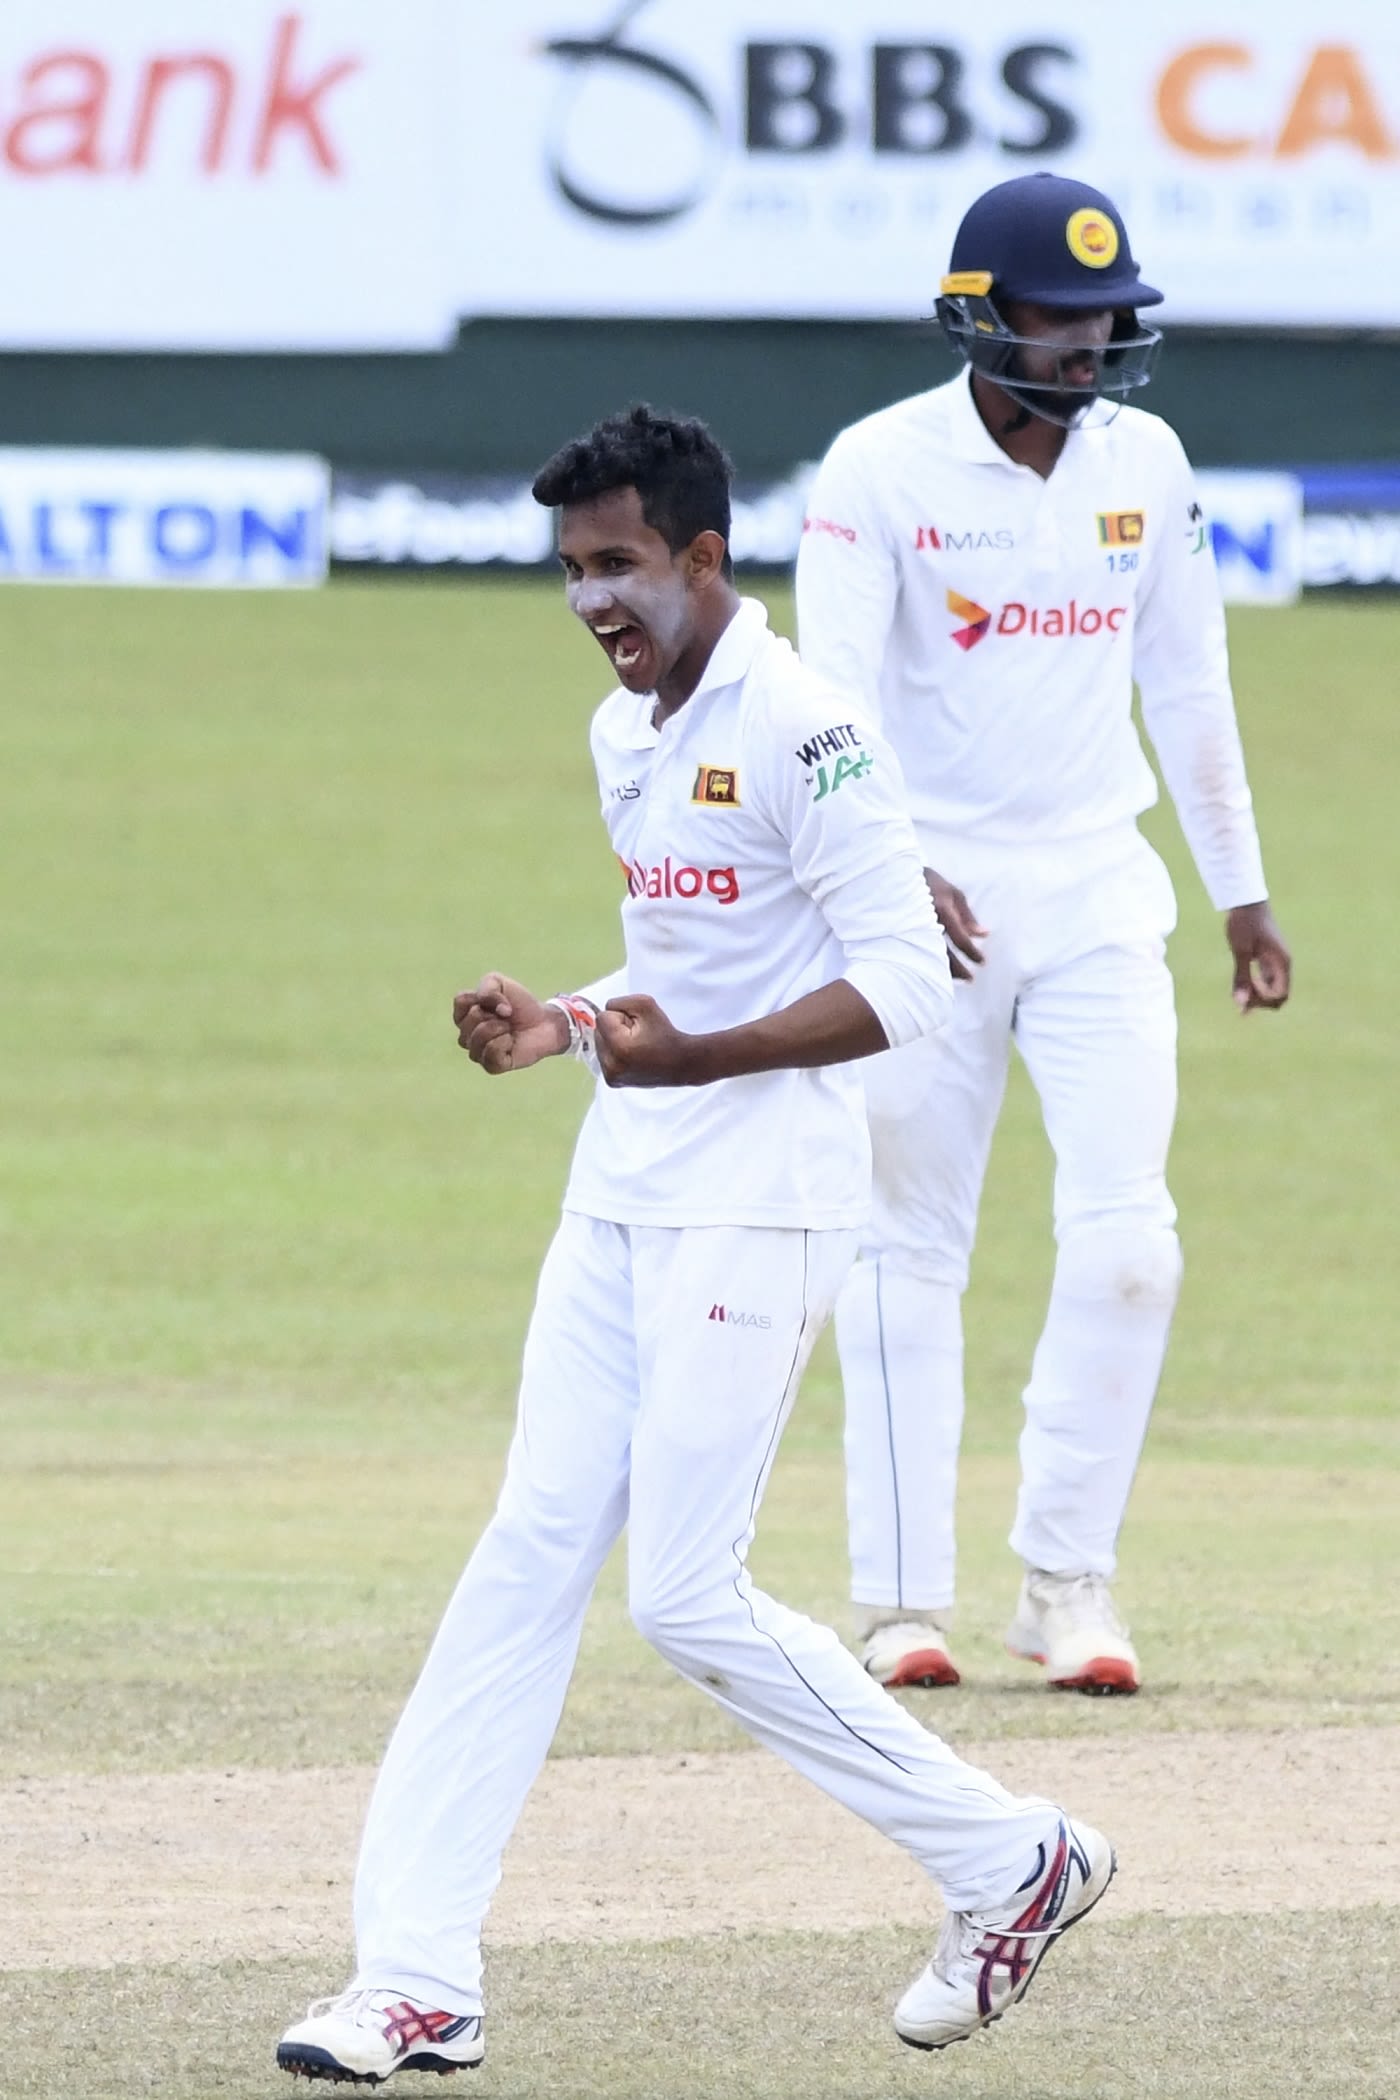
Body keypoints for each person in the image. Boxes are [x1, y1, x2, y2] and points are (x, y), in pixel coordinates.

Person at [276, 405, 1115, 2084]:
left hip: (765, 1196)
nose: (594, 600)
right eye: (572, 570)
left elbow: (898, 983)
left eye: (620, 566)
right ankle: (416, 1978)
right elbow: (686, 956)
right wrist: (572, 1020)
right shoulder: (624, 732)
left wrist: (685, 1057)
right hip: (624, 1184)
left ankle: (1010, 1854)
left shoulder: (810, 728)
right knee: (526, 1553)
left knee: (681, 1595)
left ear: (705, 558)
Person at [795, 172, 1292, 1699]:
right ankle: (896, 1605)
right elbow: (833, 699)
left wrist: (1240, 886)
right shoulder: (878, 468)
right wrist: (891, 877)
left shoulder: (1148, 459)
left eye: (1105, 321)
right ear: (978, 318)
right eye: (1059, 321)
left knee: (1134, 1245)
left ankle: (1068, 1584)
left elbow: (1190, 683)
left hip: (1094, 891)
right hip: (924, 909)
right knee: (905, 1250)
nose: (1088, 348)